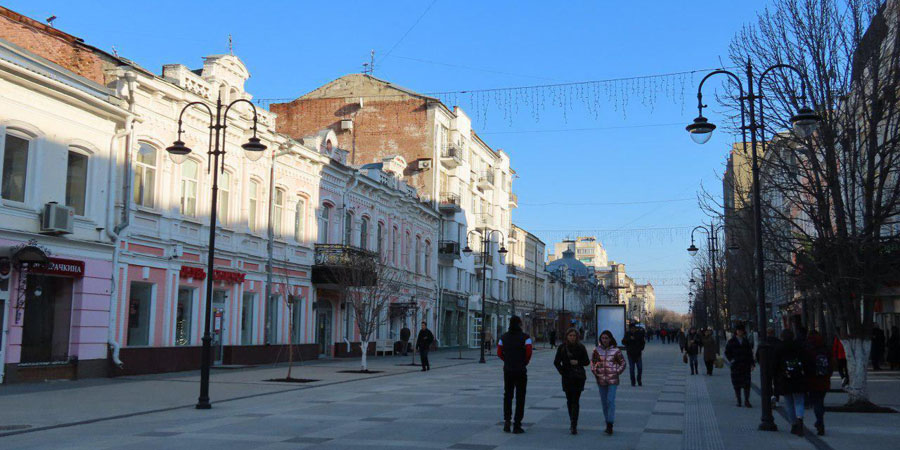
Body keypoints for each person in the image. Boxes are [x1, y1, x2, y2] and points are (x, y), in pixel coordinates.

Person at [497, 316, 533, 434]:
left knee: (508, 395)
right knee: (520, 397)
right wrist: (524, 362)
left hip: (508, 370)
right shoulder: (526, 338)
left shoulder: (503, 337)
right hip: (521, 370)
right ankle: (517, 424)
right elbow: (529, 353)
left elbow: (499, 353)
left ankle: (507, 422)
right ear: (520, 324)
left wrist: (507, 360)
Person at [553, 328, 590, 434]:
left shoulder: (581, 347)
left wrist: (578, 362)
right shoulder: (562, 348)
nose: (572, 337)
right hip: (567, 377)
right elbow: (556, 362)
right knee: (569, 400)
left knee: (575, 400)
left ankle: (574, 424)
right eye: (570, 335)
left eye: (574, 336)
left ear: (577, 337)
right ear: (567, 336)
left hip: (578, 377)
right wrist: (562, 372)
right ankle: (572, 420)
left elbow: (587, 362)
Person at [775, 329, 810, 436]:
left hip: (785, 378)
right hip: (799, 377)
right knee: (799, 401)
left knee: (789, 403)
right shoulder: (799, 346)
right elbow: (806, 361)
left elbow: (775, 364)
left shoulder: (779, 347)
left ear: (782, 336)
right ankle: (800, 419)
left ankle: (794, 424)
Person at [591, 330, 626, 435]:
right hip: (601, 379)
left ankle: (610, 423)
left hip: (613, 380)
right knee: (604, 402)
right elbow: (593, 362)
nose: (604, 340)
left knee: (610, 400)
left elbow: (623, 363)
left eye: (606, 338)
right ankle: (607, 421)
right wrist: (595, 371)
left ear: (610, 339)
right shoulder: (597, 350)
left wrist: (617, 371)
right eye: (603, 338)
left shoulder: (616, 350)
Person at [805, 330, 833, 436]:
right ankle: (819, 421)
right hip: (824, 380)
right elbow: (831, 364)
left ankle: (820, 422)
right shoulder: (825, 349)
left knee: (817, 402)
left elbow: (806, 365)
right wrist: (828, 375)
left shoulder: (809, 350)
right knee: (820, 401)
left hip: (812, 380)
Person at [725, 324, 755, 407]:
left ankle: (747, 400)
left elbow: (750, 353)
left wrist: (752, 363)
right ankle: (739, 400)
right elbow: (727, 352)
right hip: (736, 366)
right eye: (738, 331)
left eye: (741, 331)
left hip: (745, 365)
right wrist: (731, 360)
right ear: (736, 331)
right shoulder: (731, 341)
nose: (740, 332)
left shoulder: (746, 341)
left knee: (747, 384)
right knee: (736, 384)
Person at [756, 327, 783, 404]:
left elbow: (758, 355)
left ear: (767, 333)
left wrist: (761, 363)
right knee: (777, 382)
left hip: (766, 366)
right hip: (777, 366)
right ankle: (776, 397)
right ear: (774, 333)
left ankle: (770, 396)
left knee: (768, 382)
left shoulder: (763, 342)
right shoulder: (778, 342)